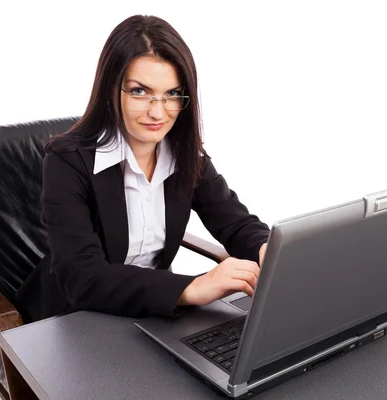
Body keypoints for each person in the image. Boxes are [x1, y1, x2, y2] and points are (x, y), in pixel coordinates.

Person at [16, 15, 270, 323]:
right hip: (70, 317)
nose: (157, 112)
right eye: (140, 91)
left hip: (150, 312)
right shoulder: (66, 160)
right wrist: (192, 287)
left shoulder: (185, 156)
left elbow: (235, 223)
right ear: (112, 89)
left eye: (172, 94)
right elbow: (82, 279)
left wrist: (267, 249)